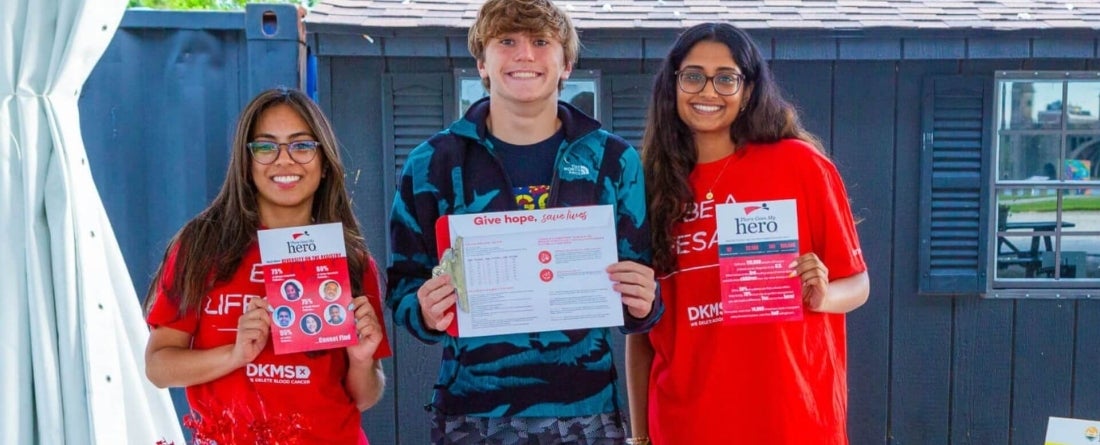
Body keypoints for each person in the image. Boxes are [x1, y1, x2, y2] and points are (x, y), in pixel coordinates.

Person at [386, 0, 663, 442]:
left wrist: (645, 300)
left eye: (541, 42)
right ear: (482, 61)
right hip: (473, 415)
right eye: (507, 41)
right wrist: (423, 309)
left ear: (566, 63)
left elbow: (642, 296)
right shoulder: (432, 164)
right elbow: (402, 288)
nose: (525, 55)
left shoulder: (614, 161)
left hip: (585, 411)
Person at [626, 23, 870, 445]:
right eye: (693, 76)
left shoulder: (799, 165)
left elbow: (859, 284)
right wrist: (641, 436)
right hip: (685, 423)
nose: (708, 91)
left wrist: (824, 296)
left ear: (749, 89)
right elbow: (643, 332)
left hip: (790, 417)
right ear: (673, 85)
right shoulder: (647, 185)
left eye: (726, 78)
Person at [143, 87, 392, 445]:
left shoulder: (350, 261)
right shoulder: (203, 246)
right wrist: (235, 354)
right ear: (247, 164)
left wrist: (361, 358)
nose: (284, 160)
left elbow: (365, 396)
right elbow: (159, 367)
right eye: (265, 147)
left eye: (302, 145)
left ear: (324, 164)